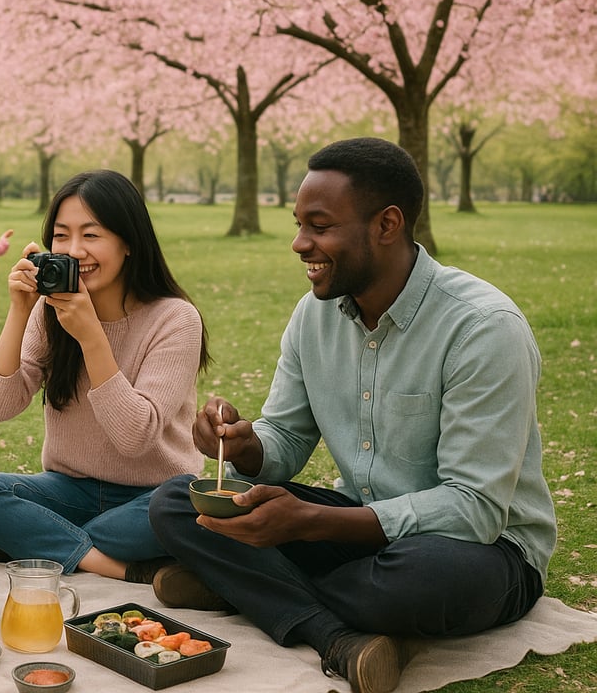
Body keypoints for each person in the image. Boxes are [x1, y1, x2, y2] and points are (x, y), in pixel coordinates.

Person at [148, 138, 556, 693]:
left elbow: (475, 509)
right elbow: (285, 437)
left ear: (387, 224)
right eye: (299, 224)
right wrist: (242, 444)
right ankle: (338, 636)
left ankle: (247, 587)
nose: (299, 244)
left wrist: (310, 523)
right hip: (362, 523)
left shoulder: (483, 328)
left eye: (319, 226)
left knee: (414, 582)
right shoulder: (313, 315)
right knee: (176, 502)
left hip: (482, 550)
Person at [0, 169, 210, 582]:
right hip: (69, 490)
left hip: (152, 498)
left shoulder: (175, 319)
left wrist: (92, 337)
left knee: (184, 507)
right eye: (61, 236)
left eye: (91, 235)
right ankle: (118, 566)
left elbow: (135, 437)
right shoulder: (49, 311)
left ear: (128, 241)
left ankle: (39, 541)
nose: (74, 251)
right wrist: (20, 311)